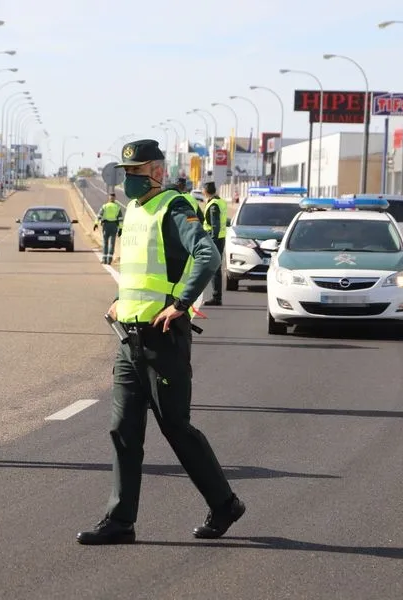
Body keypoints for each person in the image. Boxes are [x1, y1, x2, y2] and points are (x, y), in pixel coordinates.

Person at [76, 139, 245, 545]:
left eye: (136, 173)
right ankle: (120, 521)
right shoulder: (134, 211)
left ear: (156, 171)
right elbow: (139, 271)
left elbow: (206, 255)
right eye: (126, 173)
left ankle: (225, 504)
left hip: (162, 340)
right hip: (129, 339)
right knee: (122, 430)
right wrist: (121, 300)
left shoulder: (174, 208)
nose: (129, 180)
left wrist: (181, 304)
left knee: (176, 428)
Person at [201, 181, 227, 306]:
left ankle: (216, 297)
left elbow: (215, 225)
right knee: (215, 268)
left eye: (202, 190)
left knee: (214, 269)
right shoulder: (219, 201)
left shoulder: (213, 205)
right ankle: (217, 296)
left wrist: (211, 241)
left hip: (215, 239)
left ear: (205, 191)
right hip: (220, 239)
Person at [95, 193, 122, 264]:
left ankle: (104, 259)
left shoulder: (105, 206)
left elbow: (99, 215)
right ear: (114, 198)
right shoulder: (117, 207)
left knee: (105, 242)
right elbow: (120, 219)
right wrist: (120, 229)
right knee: (112, 243)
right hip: (114, 226)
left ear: (109, 198)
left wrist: (96, 223)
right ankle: (109, 260)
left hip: (106, 226)